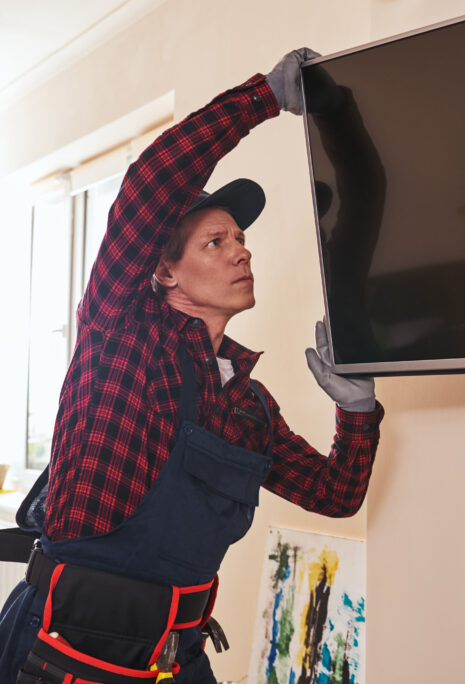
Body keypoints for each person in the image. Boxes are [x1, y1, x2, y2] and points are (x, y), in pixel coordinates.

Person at [0, 48, 383, 683]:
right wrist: (265, 97)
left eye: (241, 239)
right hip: (67, 654)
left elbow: (337, 495)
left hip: (176, 660)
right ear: (162, 271)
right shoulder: (122, 335)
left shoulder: (249, 407)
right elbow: (152, 182)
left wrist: (357, 412)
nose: (241, 252)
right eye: (216, 241)